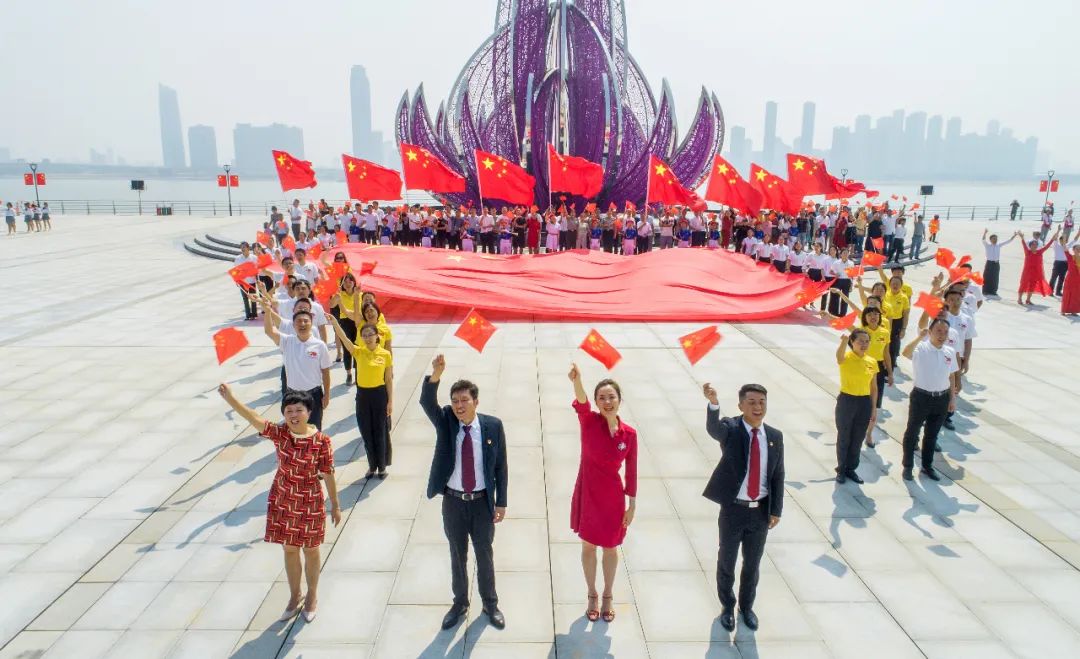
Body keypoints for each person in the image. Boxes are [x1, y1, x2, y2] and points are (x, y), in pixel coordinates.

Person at [217, 384, 339, 623]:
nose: (293, 415)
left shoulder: (321, 441)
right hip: (284, 500)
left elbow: (328, 473)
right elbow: (253, 418)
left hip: (310, 501)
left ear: (309, 412)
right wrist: (231, 399)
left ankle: (312, 595)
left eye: (298, 410)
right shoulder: (281, 434)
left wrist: (335, 504)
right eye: (288, 411)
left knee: (311, 550)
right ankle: (295, 595)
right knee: (290, 549)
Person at [420, 354, 508, 630]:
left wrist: (501, 502)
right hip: (454, 502)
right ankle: (459, 604)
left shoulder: (493, 425)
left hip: (482, 503)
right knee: (457, 555)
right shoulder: (446, 421)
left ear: (476, 402)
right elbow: (427, 402)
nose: (459, 405)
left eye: (464, 400)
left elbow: (501, 466)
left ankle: (490, 604)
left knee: (484, 554)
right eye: (455, 401)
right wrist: (436, 374)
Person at [701, 382, 784, 632]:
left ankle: (747, 607)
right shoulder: (732, 428)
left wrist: (776, 510)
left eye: (762, 402)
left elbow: (778, 474)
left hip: (760, 512)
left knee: (752, 564)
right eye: (752, 402)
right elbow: (714, 429)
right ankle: (727, 606)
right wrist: (713, 403)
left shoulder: (774, 436)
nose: (757, 407)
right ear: (740, 405)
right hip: (733, 510)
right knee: (727, 560)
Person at [567, 364, 637, 623]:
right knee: (588, 546)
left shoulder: (629, 434)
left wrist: (631, 505)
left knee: (610, 547)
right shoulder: (589, 421)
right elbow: (581, 402)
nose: (607, 402)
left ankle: (608, 594)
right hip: (588, 493)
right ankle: (592, 594)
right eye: (602, 398)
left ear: (619, 400)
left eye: (611, 397)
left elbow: (631, 472)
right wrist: (577, 380)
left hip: (613, 498)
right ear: (596, 402)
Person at [329, 314, 394, 479]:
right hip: (363, 396)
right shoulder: (358, 352)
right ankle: (372, 466)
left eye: (370, 334)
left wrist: (390, 401)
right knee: (366, 431)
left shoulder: (385, 354)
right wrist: (335, 322)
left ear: (377, 336)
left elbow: (388, 380)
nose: (368, 338)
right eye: (364, 335)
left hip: (379, 395)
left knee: (380, 431)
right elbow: (344, 338)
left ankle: (382, 466)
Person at [899, 319, 959, 481]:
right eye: (938, 331)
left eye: (945, 332)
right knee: (912, 432)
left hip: (941, 398)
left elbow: (951, 375)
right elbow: (905, 352)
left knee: (932, 435)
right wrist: (920, 337)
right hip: (921, 397)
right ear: (930, 332)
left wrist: (952, 399)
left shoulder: (949, 351)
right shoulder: (921, 348)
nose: (942, 335)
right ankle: (908, 466)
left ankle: (927, 466)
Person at [261, 307, 331, 430]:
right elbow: (269, 331)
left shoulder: (320, 345)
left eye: (305, 321)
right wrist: (267, 311)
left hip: (313, 395)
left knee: (314, 430)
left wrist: (327, 395)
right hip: (293, 395)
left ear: (311, 324)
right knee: (294, 430)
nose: (302, 324)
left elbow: (326, 372)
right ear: (293, 325)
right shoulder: (287, 341)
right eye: (298, 321)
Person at [833, 329, 878, 484]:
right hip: (847, 400)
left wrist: (873, 408)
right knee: (844, 436)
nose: (864, 344)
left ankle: (851, 468)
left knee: (858, 437)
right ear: (853, 342)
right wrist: (844, 341)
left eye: (867, 341)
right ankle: (841, 469)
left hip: (864, 402)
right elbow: (838, 357)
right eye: (860, 341)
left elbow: (874, 388)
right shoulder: (846, 357)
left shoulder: (871, 361)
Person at [1017, 229, 1058, 305]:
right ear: (1030, 246)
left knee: (1032, 286)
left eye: (1036, 245)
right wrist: (1022, 237)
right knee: (1023, 284)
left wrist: (1052, 239)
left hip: (1036, 272)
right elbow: (1024, 244)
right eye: (1033, 245)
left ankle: (1028, 300)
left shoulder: (1040, 252)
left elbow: (1047, 246)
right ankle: (1019, 299)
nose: (1035, 246)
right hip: (1027, 272)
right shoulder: (1027, 252)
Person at [981, 229, 1016, 296]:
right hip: (989, 263)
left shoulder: (998, 245)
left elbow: (1008, 241)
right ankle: (985, 291)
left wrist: (1014, 235)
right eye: (994, 239)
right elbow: (983, 240)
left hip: (996, 263)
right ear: (990, 240)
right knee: (987, 277)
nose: (995, 240)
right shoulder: (987, 245)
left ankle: (993, 291)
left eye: (996, 239)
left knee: (995, 277)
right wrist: (985, 233)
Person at [233, 242, 258, 320]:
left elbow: (257, 269)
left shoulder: (254, 258)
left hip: (252, 281)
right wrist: (236, 280)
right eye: (241, 247)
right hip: (242, 282)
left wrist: (257, 280)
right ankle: (248, 315)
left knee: (253, 297)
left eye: (244, 247)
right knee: (245, 299)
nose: (242, 249)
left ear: (248, 248)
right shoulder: (238, 259)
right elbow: (236, 271)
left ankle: (254, 314)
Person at [1049, 233, 1078, 297]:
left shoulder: (1067, 246)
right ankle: (1050, 291)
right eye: (1062, 240)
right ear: (1060, 240)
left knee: (1062, 278)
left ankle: (1058, 291)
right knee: (1054, 277)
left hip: (1065, 264)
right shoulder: (1056, 245)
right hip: (1057, 263)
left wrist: (1078, 233)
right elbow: (1055, 238)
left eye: (1065, 240)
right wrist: (1058, 230)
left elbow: (1075, 240)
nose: (1064, 241)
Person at [1061, 243, 1080, 315]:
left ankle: (1073, 311)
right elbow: (1065, 249)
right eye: (1077, 249)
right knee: (1067, 294)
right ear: (1073, 249)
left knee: (1076, 295)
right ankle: (1063, 310)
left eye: (1079, 249)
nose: (1078, 250)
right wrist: (1064, 240)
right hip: (1069, 279)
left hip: (1078, 280)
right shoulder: (1070, 257)